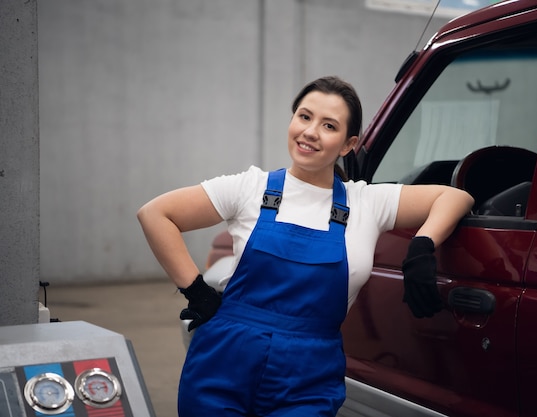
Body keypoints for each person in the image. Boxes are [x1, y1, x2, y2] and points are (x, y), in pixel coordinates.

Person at [137, 76, 474, 416]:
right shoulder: (249, 188)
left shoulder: (367, 202)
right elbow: (156, 214)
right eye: (304, 116)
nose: (310, 132)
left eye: (329, 125)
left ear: (347, 144)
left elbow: (455, 196)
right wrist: (198, 292)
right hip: (223, 362)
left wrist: (422, 247)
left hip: (307, 376)